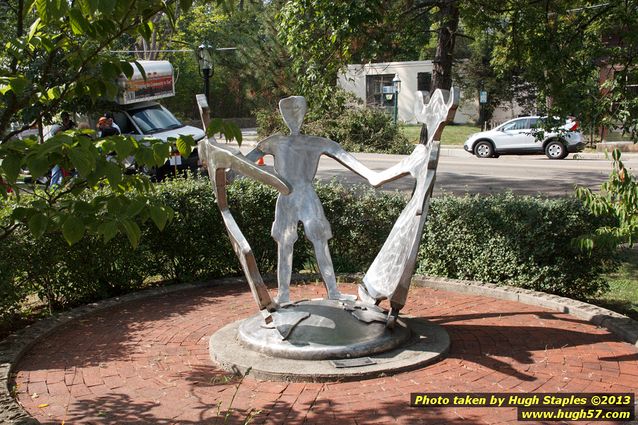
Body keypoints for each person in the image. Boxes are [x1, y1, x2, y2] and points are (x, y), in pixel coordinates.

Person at [245, 96, 380, 304]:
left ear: (304, 112)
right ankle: (283, 294)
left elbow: (343, 155)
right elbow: (245, 162)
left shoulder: (316, 143)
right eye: (288, 111)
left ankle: (333, 291)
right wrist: (227, 172)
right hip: (287, 196)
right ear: (282, 114)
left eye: (298, 110)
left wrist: (372, 175)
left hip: (307, 196)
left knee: (320, 239)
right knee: (285, 243)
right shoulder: (275, 142)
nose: (294, 116)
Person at [49, 112, 77, 187]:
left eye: (66, 117)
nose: (65, 119)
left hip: (69, 152)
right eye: (64, 117)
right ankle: (53, 187)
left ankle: (69, 186)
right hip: (60, 154)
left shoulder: (72, 125)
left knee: (70, 171)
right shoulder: (59, 127)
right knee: (56, 171)